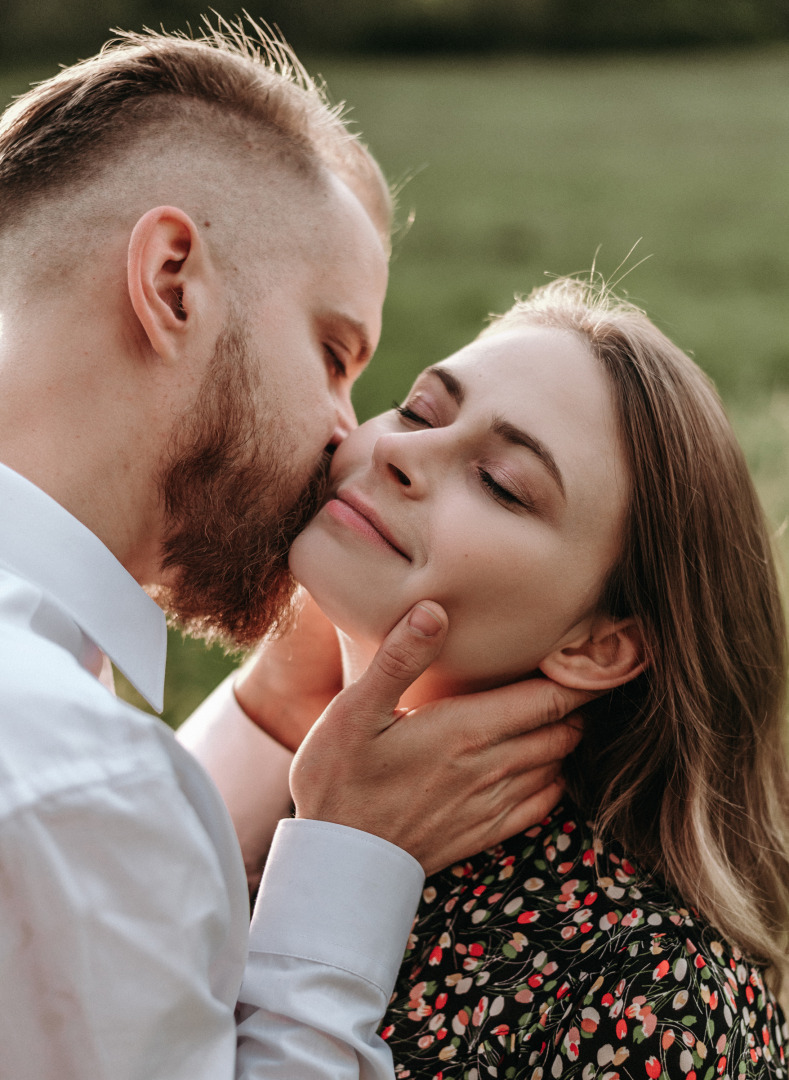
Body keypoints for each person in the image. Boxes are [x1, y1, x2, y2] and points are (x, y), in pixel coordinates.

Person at [0, 22, 586, 1080]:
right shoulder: (69, 781)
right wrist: (350, 863)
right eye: (332, 353)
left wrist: (270, 718)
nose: (345, 436)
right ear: (174, 280)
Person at [187, 276, 789, 1077]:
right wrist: (268, 716)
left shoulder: (647, 992)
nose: (400, 452)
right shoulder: (288, 794)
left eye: (501, 483)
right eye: (419, 410)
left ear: (597, 645)